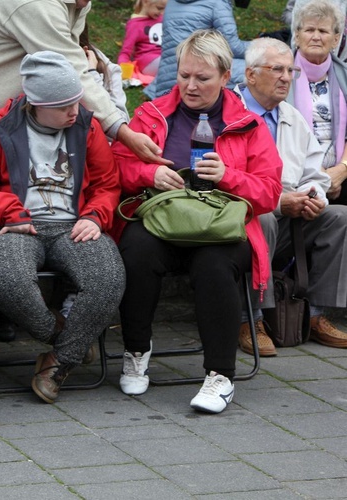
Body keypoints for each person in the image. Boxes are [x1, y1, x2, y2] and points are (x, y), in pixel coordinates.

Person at [111, 29, 282, 414]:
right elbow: (114, 165)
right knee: (136, 249)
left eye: (202, 78)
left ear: (225, 77)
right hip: (161, 218)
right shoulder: (151, 114)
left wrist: (227, 176)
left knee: (215, 264)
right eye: (185, 75)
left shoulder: (249, 125)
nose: (190, 85)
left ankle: (220, 376)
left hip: (220, 225)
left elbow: (270, 192)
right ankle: (137, 349)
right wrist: (148, 175)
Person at [0, 51, 126, 403]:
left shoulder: (87, 126)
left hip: (74, 222)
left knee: (107, 278)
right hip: (13, 224)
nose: (75, 111)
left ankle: (58, 362)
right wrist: (11, 212)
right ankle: (67, 337)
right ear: (37, 104)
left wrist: (94, 215)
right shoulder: (0, 130)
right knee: (6, 279)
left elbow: (107, 184)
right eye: (64, 106)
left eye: (76, 102)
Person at [0, 0, 169, 169]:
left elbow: (65, 70)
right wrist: (122, 131)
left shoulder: (77, 3)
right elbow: (69, 69)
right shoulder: (33, 3)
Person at [235, 37, 347, 354]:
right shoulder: (230, 113)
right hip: (240, 218)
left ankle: (313, 316)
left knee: (339, 218)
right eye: (277, 69)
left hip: (288, 215)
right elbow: (227, 181)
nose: (286, 77)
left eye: (291, 70)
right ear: (251, 74)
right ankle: (252, 317)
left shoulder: (293, 117)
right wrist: (279, 201)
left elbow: (313, 174)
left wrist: (312, 198)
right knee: (264, 219)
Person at [288, 0, 347, 205]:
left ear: (336, 38)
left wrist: (342, 170)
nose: (315, 36)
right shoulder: (281, 76)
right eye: (309, 29)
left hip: (342, 173)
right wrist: (318, 174)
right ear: (296, 35)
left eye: (323, 30)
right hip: (295, 172)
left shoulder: (345, 76)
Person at [146, 0, 250, 99]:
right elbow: (233, 48)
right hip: (195, 76)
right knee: (257, 69)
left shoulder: (172, 2)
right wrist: (261, 46)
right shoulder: (217, 3)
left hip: (166, 80)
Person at [118, 0, 166, 77]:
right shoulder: (135, 24)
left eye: (165, 9)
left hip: (165, 56)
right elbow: (126, 51)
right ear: (146, 1)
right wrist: (123, 69)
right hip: (148, 60)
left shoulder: (162, 18)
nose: (162, 12)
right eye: (159, 8)